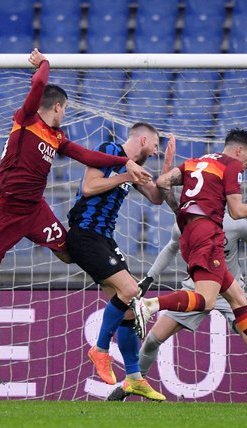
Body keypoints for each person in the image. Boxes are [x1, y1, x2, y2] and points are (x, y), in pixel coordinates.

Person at [0, 49, 151, 290]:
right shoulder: (26, 120)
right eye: (65, 109)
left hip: (35, 209)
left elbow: (86, 155)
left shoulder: (57, 136)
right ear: (57, 106)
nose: (65, 113)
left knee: (70, 254)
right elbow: (40, 81)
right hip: (7, 210)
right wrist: (45, 62)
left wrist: (125, 162)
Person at [132, 128, 247, 382]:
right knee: (207, 300)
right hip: (207, 233)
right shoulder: (231, 166)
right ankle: (151, 305)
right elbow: (235, 212)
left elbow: (162, 182)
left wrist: (181, 211)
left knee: (238, 300)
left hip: (189, 232)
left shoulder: (197, 162)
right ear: (239, 149)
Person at [108, 216, 247, 402]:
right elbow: (171, 247)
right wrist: (149, 277)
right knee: (153, 340)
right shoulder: (184, 223)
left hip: (231, 293)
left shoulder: (236, 224)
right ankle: (131, 387)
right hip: (195, 291)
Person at [66, 123, 175, 401]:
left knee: (130, 308)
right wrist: (126, 174)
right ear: (142, 140)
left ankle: (134, 378)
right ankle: (100, 349)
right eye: (154, 147)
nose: (154, 152)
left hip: (104, 238)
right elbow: (89, 187)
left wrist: (165, 170)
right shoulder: (108, 150)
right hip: (85, 233)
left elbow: (155, 198)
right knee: (131, 291)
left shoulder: (135, 169)